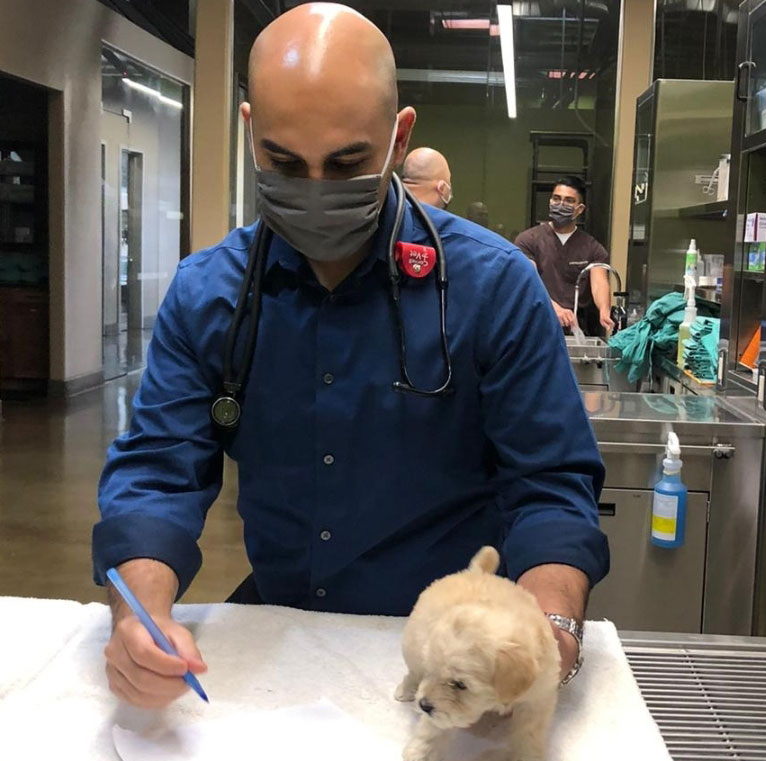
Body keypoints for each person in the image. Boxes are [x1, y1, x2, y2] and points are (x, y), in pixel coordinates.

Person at [93, 2, 608, 710]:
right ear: (250, 134)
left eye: (346, 163)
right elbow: (157, 476)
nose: (314, 190)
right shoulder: (208, 296)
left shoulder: (491, 288)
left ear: (398, 140)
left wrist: (549, 629)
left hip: (449, 650)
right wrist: (139, 617)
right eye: (283, 161)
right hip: (284, 629)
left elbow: (549, 485)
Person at [515, 177, 614, 335]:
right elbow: (529, 280)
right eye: (556, 199)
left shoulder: (592, 248)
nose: (561, 205)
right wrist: (554, 307)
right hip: (535, 326)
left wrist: (604, 311)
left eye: (569, 201)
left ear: (579, 209)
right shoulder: (528, 240)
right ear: (550, 202)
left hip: (573, 328)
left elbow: (599, 283)